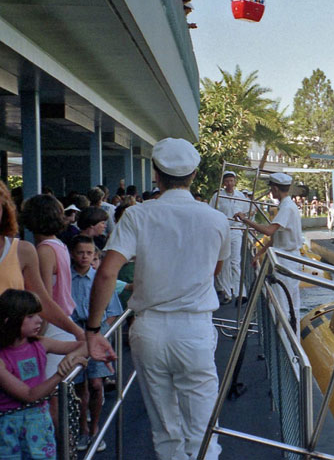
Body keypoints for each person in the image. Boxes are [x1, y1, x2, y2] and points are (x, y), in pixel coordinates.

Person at [86, 138, 230, 460]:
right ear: (193, 174)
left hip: (149, 330)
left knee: (165, 430)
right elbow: (215, 269)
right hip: (194, 329)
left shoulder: (137, 216)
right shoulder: (216, 219)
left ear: (156, 174)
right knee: (203, 431)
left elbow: (108, 272)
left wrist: (93, 331)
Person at [0, 290, 87, 460]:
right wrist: (61, 373)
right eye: (31, 316)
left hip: (39, 422)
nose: (39, 320)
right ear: (9, 320)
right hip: (7, 428)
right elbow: (28, 395)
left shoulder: (40, 343)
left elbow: (86, 345)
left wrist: (71, 357)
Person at [0, 182, 85, 343]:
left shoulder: (33, 251)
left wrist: (39, 338)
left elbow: (44, 299)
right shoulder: (57, 245)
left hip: (41, 331)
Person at [20, 194, 78, 427]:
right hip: (65, 320)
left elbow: (41, 298)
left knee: (48, 397)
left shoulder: (43, 250)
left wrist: (34, 335)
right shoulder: (59, 245)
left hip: (51, 326)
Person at [69, 236, 122, 452]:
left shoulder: (99, 279)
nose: (84, 257)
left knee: (96, 384)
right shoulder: (67, 280)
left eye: (89, 253)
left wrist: (101, 333)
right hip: (75, 337)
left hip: (97, 335)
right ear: (73, 254)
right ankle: (83, 429)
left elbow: (113, 312)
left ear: (95, 256)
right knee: (80, 387)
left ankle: (95, 429)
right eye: (80, 252)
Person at [234, 172, 302, 331]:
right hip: (286, 258)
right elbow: (274, 238)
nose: (271, 191)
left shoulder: (287, 207)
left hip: (287, 259)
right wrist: (259, 253)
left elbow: (269, 231)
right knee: (289, 302)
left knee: (284, 304)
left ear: (276, 188)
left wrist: (245, 219)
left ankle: (288, 344)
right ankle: (291, 342)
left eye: (272, 188)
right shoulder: (286, 206)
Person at [209, 171, 249, 304]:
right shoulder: (218, 196)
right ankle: (227, 293)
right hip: (223, 230)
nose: (229, 184)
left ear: (235, 181)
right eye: (227, 181)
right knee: (224, 263)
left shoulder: (240, 196)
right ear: (223, 183)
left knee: (235, 262)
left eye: (231, 181)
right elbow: (212, 212)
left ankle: (240, 293)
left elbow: (246, 212)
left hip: (236, 230)